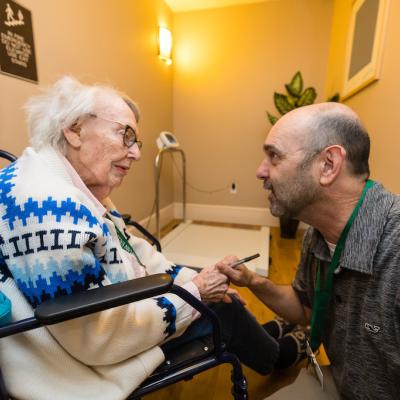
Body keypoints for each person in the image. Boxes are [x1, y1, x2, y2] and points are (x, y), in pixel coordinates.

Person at [0, 76, 281, 400]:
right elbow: (96, 340)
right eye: (126, 135)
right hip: (83, 358)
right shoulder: (51, 211)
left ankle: (263, 337)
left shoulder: (57, 183)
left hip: (102, 312)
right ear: (75, 130)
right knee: (225, 311)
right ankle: (280, 354)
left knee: (206, 288)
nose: (134, 153)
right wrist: (197, 293)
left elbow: (131, 247)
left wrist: (194, 280)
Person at [218, 102, 400, 399]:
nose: (260, 171)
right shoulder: (316, 235)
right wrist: (253, 281)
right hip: (344, 384)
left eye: (274, 156)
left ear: (328, 165)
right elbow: (305, 308)